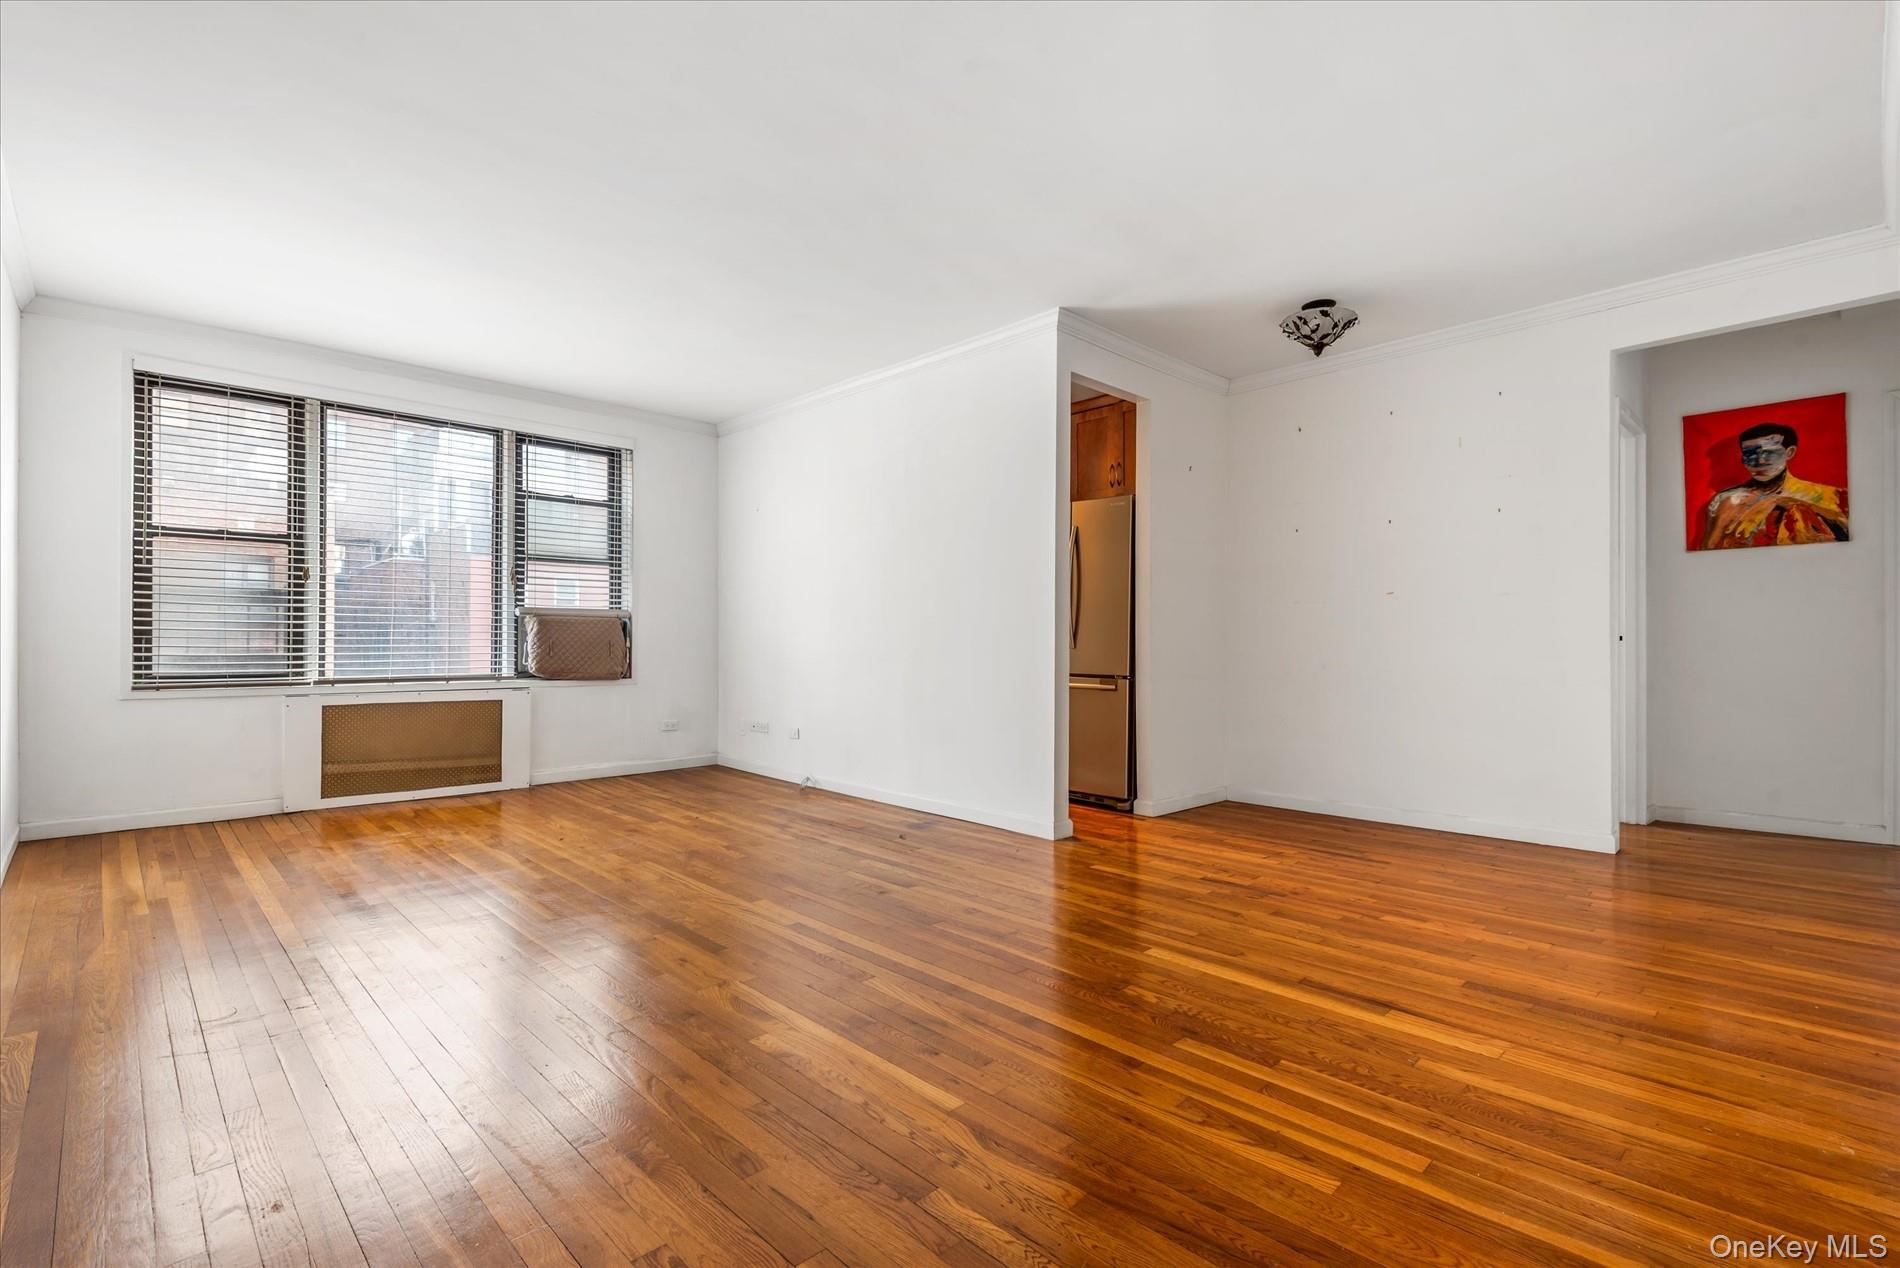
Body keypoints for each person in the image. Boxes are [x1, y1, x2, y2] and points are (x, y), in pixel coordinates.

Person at [1699, 421, 1848, 549]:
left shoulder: (1831, 496)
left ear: (1789, 452)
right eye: (1749, 454)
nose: (1759, 462)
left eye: (1768, 453)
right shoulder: (1726, 501)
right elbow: (1708, 550)